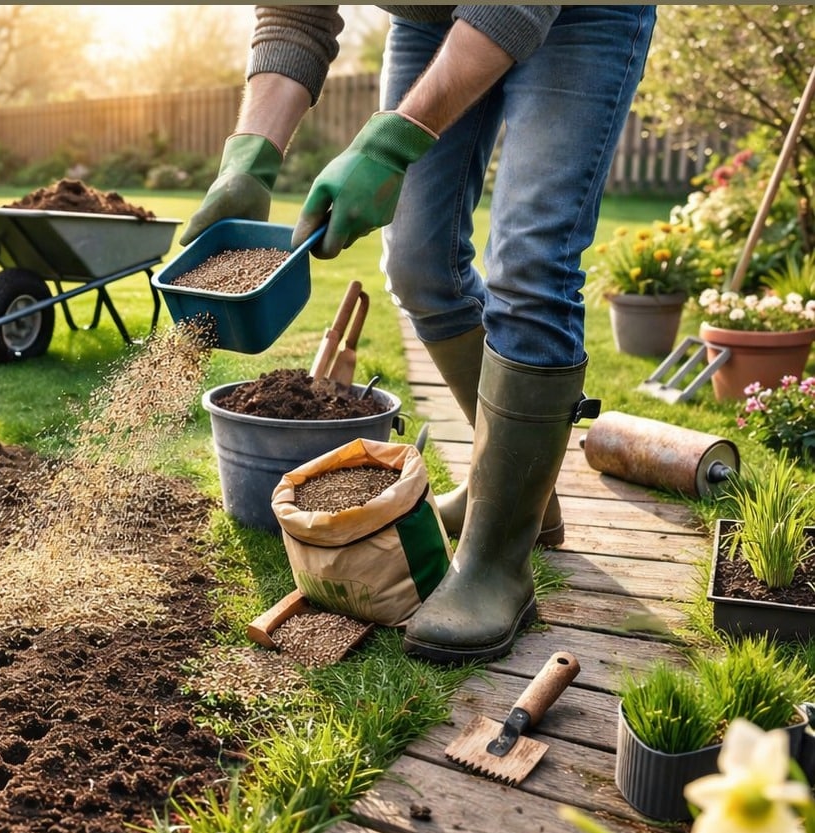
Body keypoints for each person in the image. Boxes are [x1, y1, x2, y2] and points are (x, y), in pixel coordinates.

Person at [183, 6, 656, 664]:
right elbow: (295, 14)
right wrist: (250, 158)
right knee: (417, 262)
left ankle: (496, 564)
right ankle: (524, 499)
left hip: (578, 12)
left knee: (532, 261)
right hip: (431, 18)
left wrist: (388, 144)